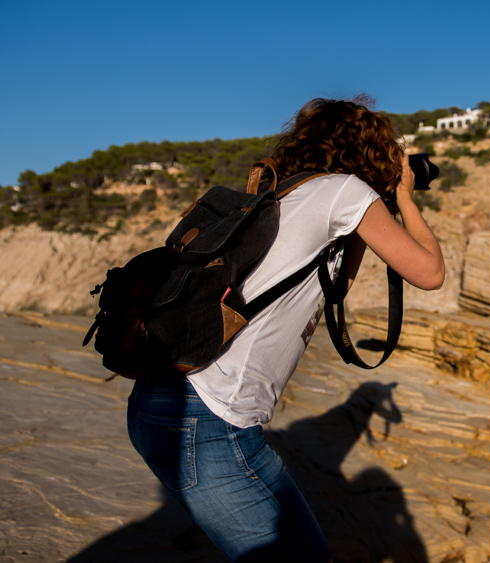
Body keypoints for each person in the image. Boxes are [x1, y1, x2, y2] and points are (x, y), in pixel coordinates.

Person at [126, 97, 445, 562]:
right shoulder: (345, 190)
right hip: (210, 419)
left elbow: (335, 288)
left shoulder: (289, 194)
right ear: (369, 151)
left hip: (163, 402)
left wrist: (368, 218)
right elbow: (430, 273)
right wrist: (404, 199)